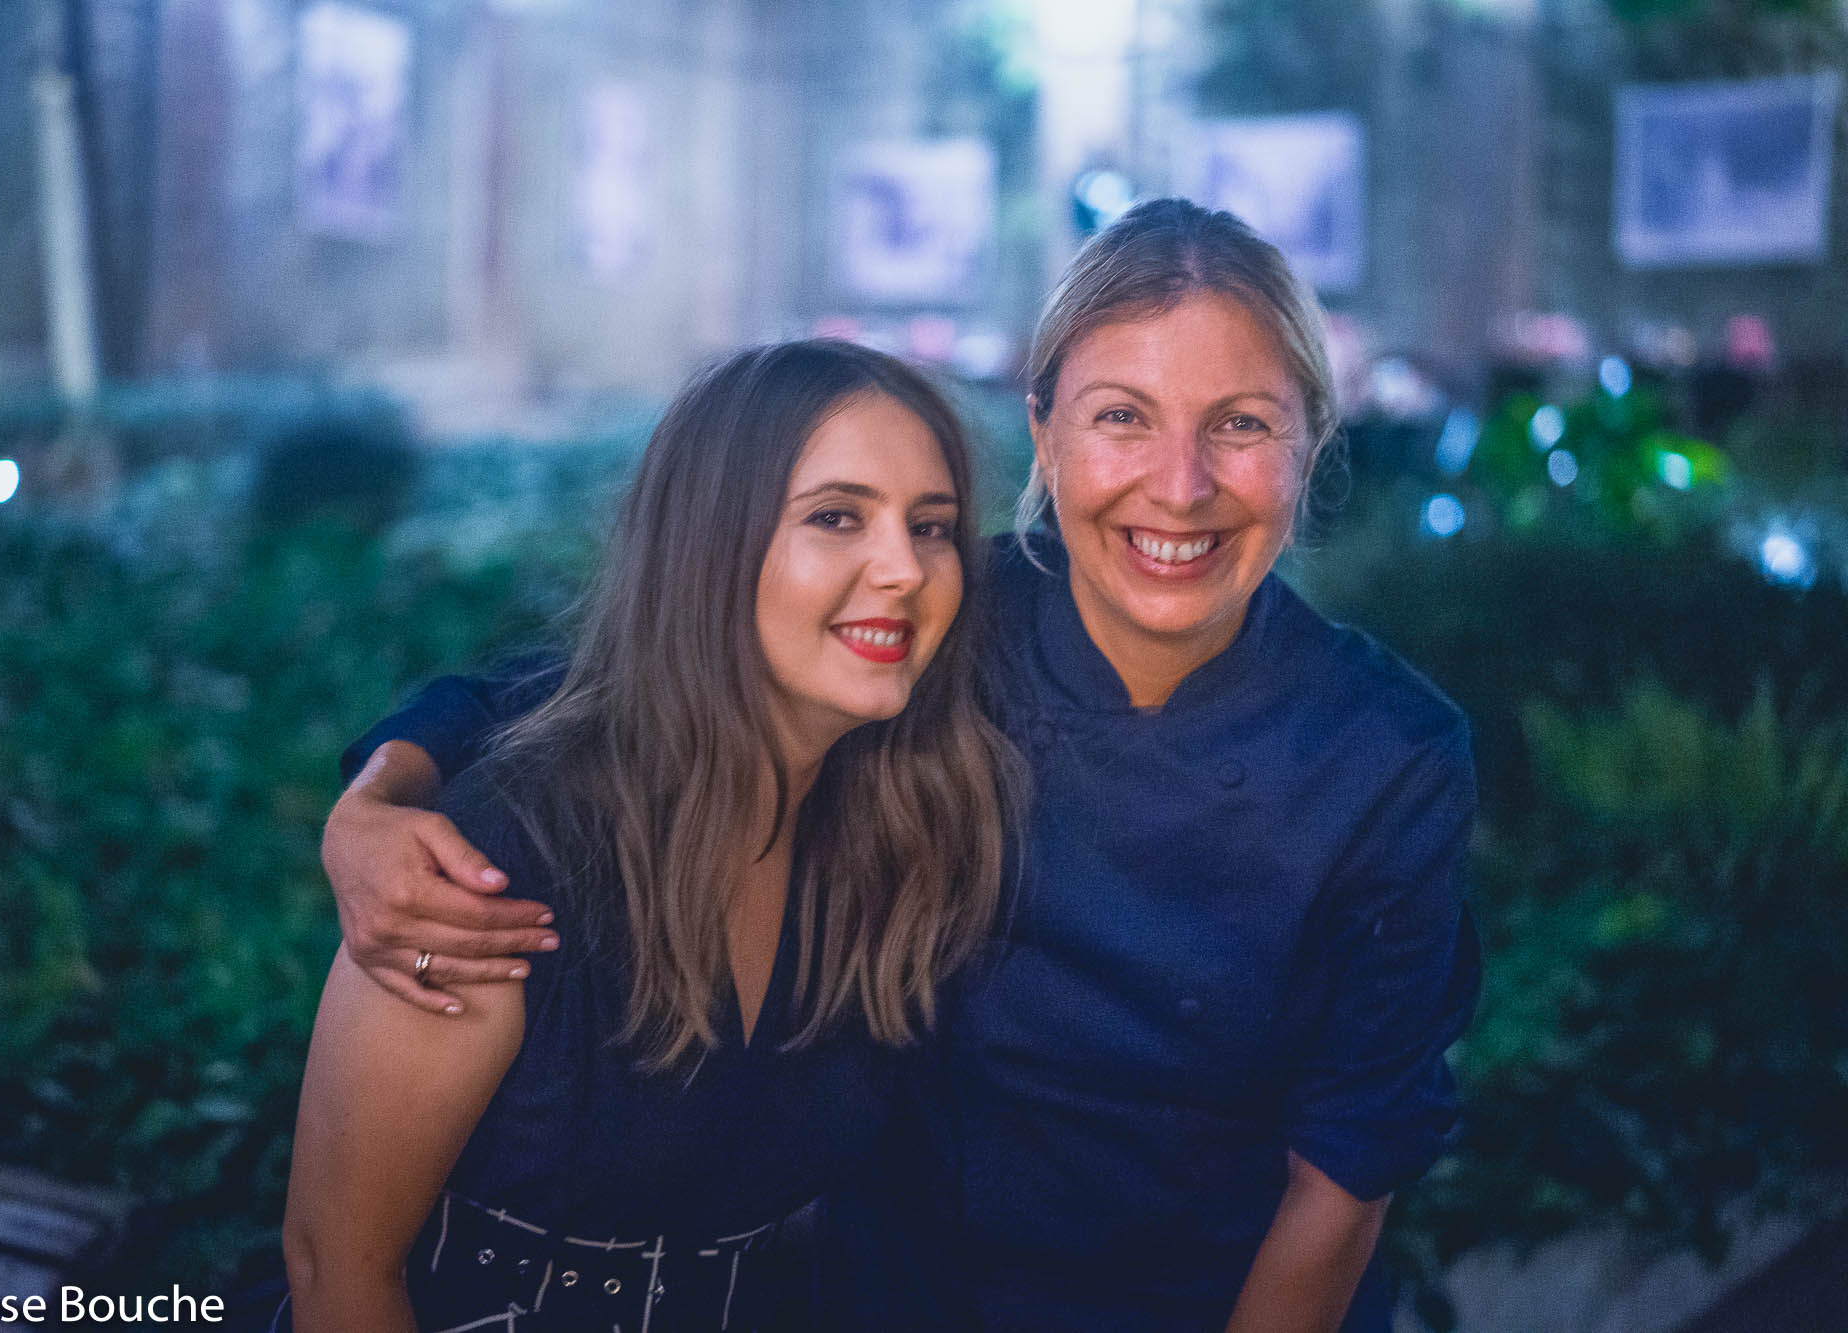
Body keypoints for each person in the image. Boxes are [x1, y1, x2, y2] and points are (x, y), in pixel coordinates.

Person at [324, 199, 1481, 1331]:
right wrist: (387, 788)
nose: (1177, 486)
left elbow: (1342, 1177)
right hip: (898, 1297)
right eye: (1122, 416)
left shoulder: (1388, 756)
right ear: (1043, 434)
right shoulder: (939, 615)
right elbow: (651, 679)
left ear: (1309, 444)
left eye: (1239, 424)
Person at [280, 339, 1022, 1332]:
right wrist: (378, 789)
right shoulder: (489, 863)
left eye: (931, 527)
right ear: (707, 546)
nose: (903, 568)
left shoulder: (887, 834)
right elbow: (337, 1267)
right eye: (835, 517)